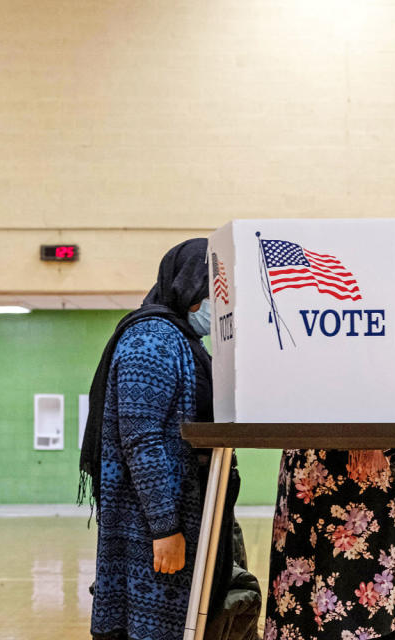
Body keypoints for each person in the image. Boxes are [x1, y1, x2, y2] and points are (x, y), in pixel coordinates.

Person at [79, 238, 240, 640]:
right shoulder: (150, 340)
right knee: (157, 627)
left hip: (191, 511)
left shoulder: (187, 342)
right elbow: (142, 440)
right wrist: (164, 529)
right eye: (215, 293)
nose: (223, 305)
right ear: (189, 288)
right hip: (154, 525)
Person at [264, 334, 395, 640]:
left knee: (384, 621)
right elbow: (275, 392)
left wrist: (370, 391)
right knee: (305, 619)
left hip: (384, 499)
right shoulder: (304, 319)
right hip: (311, 491)